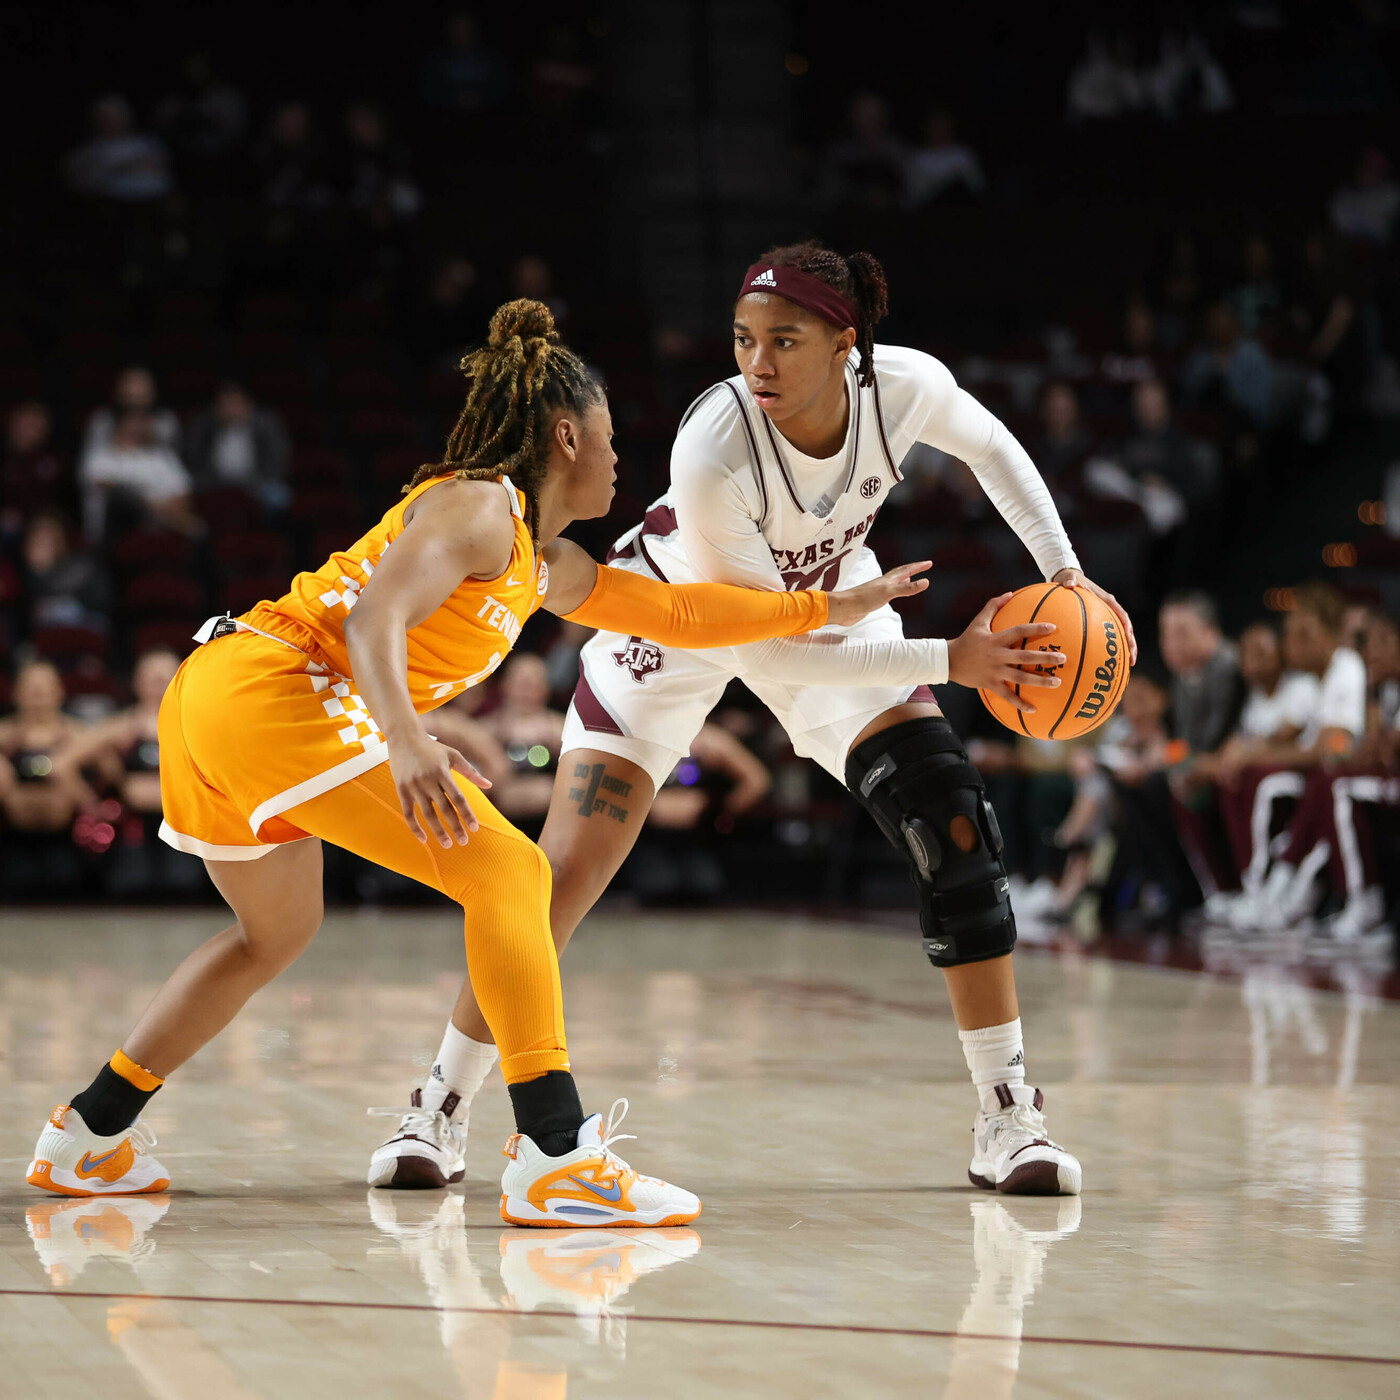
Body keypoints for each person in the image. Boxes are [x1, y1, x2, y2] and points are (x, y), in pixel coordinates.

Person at [25, 298, 949, 1226]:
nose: (621, 457)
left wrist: (820, 610)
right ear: (563, 435)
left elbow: (675, 614)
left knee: (275, 936)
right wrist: (408, 739)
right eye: (608, 435)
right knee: (512, 872)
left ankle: (87, 1135)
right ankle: (556, 1156)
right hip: (274, 688)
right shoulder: (477, 506)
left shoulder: (539, 563)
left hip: (218, 700)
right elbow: (371, 619)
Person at [371, 243, 1137, 1200]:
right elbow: (762, 649)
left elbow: (994, 452)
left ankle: (1006, 1114)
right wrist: (953, 663)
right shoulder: (715, 446)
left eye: (785, 340)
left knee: (950, 818)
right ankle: (439, 1104)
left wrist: (1066, 575)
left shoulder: (905, 390)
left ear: (845, 344)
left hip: (827, 601)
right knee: (556, 882)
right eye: (743, 340)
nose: (758, 362)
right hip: (681, 619)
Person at [1235, 609, 1399, 944]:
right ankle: (1283, 885)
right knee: (1328, 782)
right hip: (1376, 778)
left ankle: (1325, 894)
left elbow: (1377, 752)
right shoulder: (1374, 686)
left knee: (1334, 784)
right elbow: (1365, 749)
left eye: (1383, 642)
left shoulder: (1349, 671)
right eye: (1370, 643)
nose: (1372, 651)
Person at [1218, 583, 1367, 929]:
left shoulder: (1346, 667)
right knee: (1265, 775)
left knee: (1295, 780)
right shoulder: (1313, 678)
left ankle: (1281, 885)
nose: (1291, 644)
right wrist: (1246, 750)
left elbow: (1330, 748)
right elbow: (1281, 736)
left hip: (1345, 776)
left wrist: (1253, 754)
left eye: (1304, 634)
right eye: (1289, 634)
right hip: (1323, 779)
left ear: (1332, 634)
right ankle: (1271, 885)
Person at [79, 407, 201, 541]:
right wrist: (154, 506)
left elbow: (183, 494)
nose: (138, 426)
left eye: (143, 421)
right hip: (115, 533)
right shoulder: (100, 456)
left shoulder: (162, 457)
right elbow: (106, 488)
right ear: (120, 424)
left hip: (161, 529)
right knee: (123, 496)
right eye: (133, 421)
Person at [185, 382, 291, 511]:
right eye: (225, 404)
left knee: (278, 496)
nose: (231, 409)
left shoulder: (265, 425)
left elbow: (278, 459)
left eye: (235, 403)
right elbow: (193, 457)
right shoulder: (204, 426)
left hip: (258, 482)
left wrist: (260, 481)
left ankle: (273, 530)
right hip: (214, 484)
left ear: (248, 405)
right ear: (216, 408)